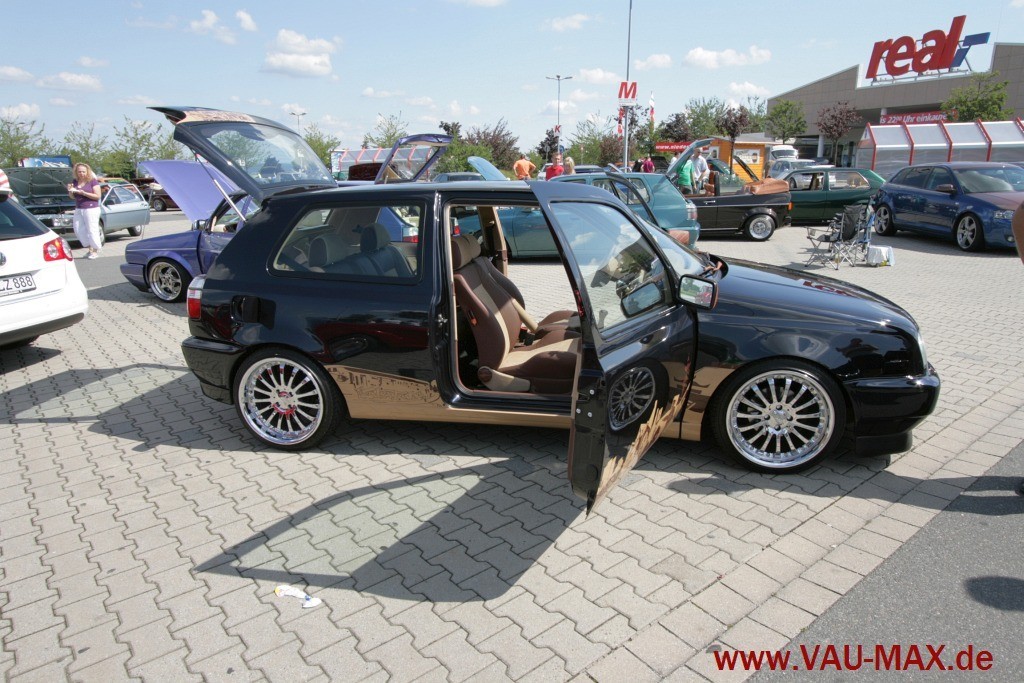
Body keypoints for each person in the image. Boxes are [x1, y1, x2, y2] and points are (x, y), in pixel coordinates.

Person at [67, 163, 103, 259]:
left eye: (83, 171)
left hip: (91, 208)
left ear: (87, 172)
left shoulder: (93, 181)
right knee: (78, 229)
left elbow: (98, 196)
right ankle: (90, 248)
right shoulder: (75, 181)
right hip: (79, 208)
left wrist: (84, 193)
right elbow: (72, 197)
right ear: (76, 172)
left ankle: (95, 250)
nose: (81, 173)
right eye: (79, 172)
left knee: (92, 229)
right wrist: (70, 190)